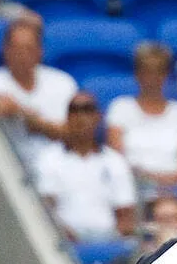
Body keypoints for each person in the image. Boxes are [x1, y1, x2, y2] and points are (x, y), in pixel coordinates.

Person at [36, 93, 138, 242]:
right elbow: (46, 208)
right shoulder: (49, 158)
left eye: (88, 109)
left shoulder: (115, 161)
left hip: (108, 239)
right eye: (74, 110)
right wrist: (63, 236)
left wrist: (113, 244)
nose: (81, 116)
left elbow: (125, 213)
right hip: (63, 241)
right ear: (67, 117)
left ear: (98, 117)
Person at [0, 19, 76, 173]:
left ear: (40, 51)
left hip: (58, 169)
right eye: (16, 48)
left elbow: (75, 134)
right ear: (5, 50)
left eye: (28, 49)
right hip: (11, 168)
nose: (22, 55)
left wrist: (28, 116)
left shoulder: (63, 82)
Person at [106, 43, 177, 196]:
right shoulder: (120, 109)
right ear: (137, 74)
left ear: (166, 75)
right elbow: (116, 158)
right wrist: (148, 180)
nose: (152, 78)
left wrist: (166, 183)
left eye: (159, 72)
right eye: (147, 72)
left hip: (174, 187)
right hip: (132, 185)